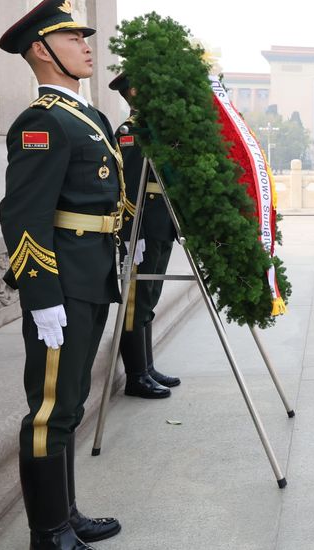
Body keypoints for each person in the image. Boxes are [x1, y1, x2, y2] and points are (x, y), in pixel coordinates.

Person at [0, 0, 122, 548]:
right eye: (74, 37)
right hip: (63, 283)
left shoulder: (86, 116)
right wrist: (40, 295)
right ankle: (47, 533)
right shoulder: (40, 123)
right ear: (43, 51)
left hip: (90, 275)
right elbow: (24, 215)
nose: (85, 45)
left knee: (69, 403)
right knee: (49, 409)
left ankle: (66, 515)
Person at [110, 73, 180, 399]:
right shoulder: (130, 133)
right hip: (140, 229)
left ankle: (148, 367)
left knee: (148, 298)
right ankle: (136, 376)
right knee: (135, 302)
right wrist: (131, 233)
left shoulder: (155, 131)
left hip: (159, 225)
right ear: (135, 92)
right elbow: (129, 189)